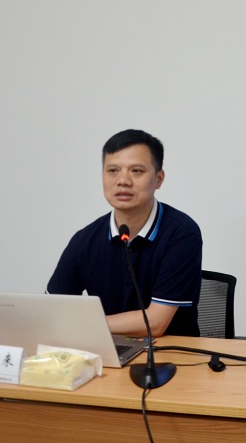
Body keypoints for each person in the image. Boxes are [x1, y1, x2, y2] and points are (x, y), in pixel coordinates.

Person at [47, 129, 203, 337]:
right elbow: (54, 310)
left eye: (136, 171)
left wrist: (84, 324)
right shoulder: (85, 240)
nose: (123, 181)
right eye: (113, 171)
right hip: (107, 348)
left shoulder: (182, 233)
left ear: (158, 179)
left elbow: (156, 323)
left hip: (170, 352)